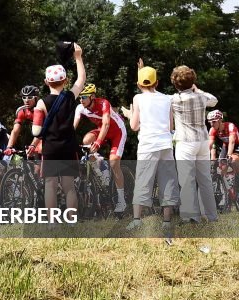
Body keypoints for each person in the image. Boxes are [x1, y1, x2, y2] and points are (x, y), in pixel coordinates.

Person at [122, 59, 179, 238]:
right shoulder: (167, 99)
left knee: (143, 180)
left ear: (139, 83)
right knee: (168, 181)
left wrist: (129, 114)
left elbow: (134, 126)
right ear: (157, 82)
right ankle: (167, 221)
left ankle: (138, 219)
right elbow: (170, 126)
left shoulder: (137, 98)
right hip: (165, 145)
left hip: (147, 145)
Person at [30, 45, 86, 213]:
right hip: (68, 147)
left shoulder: (41, 103)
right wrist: (78, 57)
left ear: (46, 82)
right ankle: (71, 220)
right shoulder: (70, 98)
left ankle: (52, 222)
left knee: (50, 185)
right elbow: (81, 80)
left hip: (51, 148)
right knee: (69, 186)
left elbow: (36, 131)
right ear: (65, 81)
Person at [169, 66, 217, 222]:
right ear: (193, 81)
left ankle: (191, 218)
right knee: (205, 180)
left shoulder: (174, 100)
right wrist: (197, 90)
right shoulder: (202, 97)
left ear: (175, 84)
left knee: (187, 181)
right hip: (202, 141)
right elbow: (214, 100)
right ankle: (211, 215)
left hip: (185, 142)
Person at [73, 83, 129, 214]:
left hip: (117, 132)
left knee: (114, 162)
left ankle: (121, 201)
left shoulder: (104, 103)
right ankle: (101, 174)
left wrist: (98, 142)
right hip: (102, 131)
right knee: (86, 141)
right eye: (79, 98)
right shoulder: (80, 108)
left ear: (92, 96)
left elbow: (106, 124)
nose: (81, 100)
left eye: (84, 97)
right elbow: (72, 127)